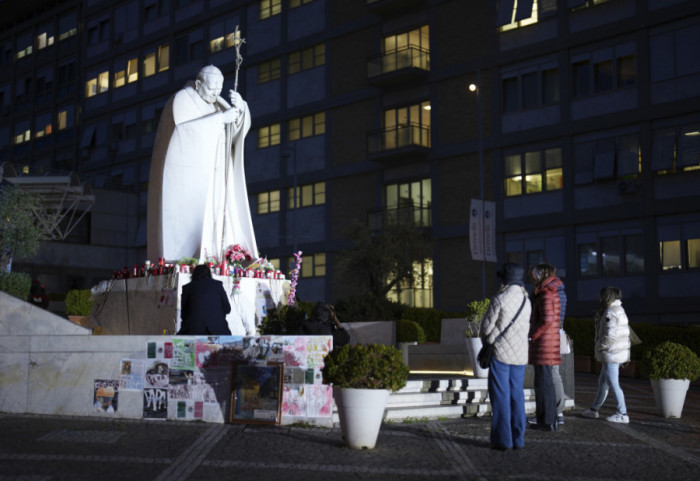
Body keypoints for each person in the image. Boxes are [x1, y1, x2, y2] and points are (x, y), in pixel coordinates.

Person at [147, 65, 257, 263]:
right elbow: (183, 133)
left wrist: (241, 109)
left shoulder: (219, 104)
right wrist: (220, 120)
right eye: (211, 88)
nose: (216, 93)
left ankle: (219, 256)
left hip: (219, 171)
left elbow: (235, 136)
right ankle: (191, 258)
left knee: (220, 214)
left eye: (219, 88)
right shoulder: (182, 100)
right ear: (198, 84)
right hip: (195, 175)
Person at [479, 262, 531, 450]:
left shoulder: (499, 299)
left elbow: (486, 327)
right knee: (517, 396)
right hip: (520, 355)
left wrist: (489, 337)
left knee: (500, 396)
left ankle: (503, 440)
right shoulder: (527, 300)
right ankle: (518, 439)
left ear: (504, 280)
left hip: (501, 353)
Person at [582, 286, 630, 423]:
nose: (599, 298)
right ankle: (594, 410)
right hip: (617, 352)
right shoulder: (618, 310)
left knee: (613, 383)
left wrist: (601, 347)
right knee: (603, 382)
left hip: (611, 354)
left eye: (601, 296)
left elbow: (610, 335)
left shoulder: (610, 312)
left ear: (606, 297)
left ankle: (623, 413)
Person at [529, 262, 567, 425]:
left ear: (543, 273)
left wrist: (533, 335)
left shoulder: (547, 292)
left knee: (545, 381)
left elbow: (548, 319)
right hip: (549, 340)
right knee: (547, 380)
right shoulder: (549, 291)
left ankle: (549, 418)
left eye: (536, 272)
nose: (533, 276)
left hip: (546, 342)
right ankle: (550, 417)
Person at [177, 264, 232, 335]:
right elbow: (227, 309)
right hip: (218, 331)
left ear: (193, 275)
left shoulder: (187, 288)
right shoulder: (218, 285)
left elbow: (183, 315)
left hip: (193, 331)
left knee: (178, 343)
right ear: (209, 274)